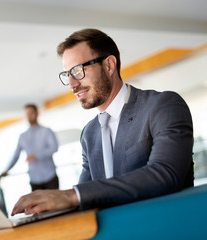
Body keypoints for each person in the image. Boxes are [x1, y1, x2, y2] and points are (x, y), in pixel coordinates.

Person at [11, 28, 194, 216]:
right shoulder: (89, 133)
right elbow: (85, 196)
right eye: (67, 75)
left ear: (109, 65)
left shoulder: (163, 106)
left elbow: (166, 174)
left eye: (78, 71)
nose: (72, 84)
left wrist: (72, 196)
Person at [2, 104, 59, 191]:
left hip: (50, 176)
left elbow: (54, 148)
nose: (29, 116)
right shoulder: (23, 136)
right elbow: (16, 155)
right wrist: (6, 170)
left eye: (31, 113)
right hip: (34, 178)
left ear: (37, 113)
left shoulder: (47, 131)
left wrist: (37, 156)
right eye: (27, 114)